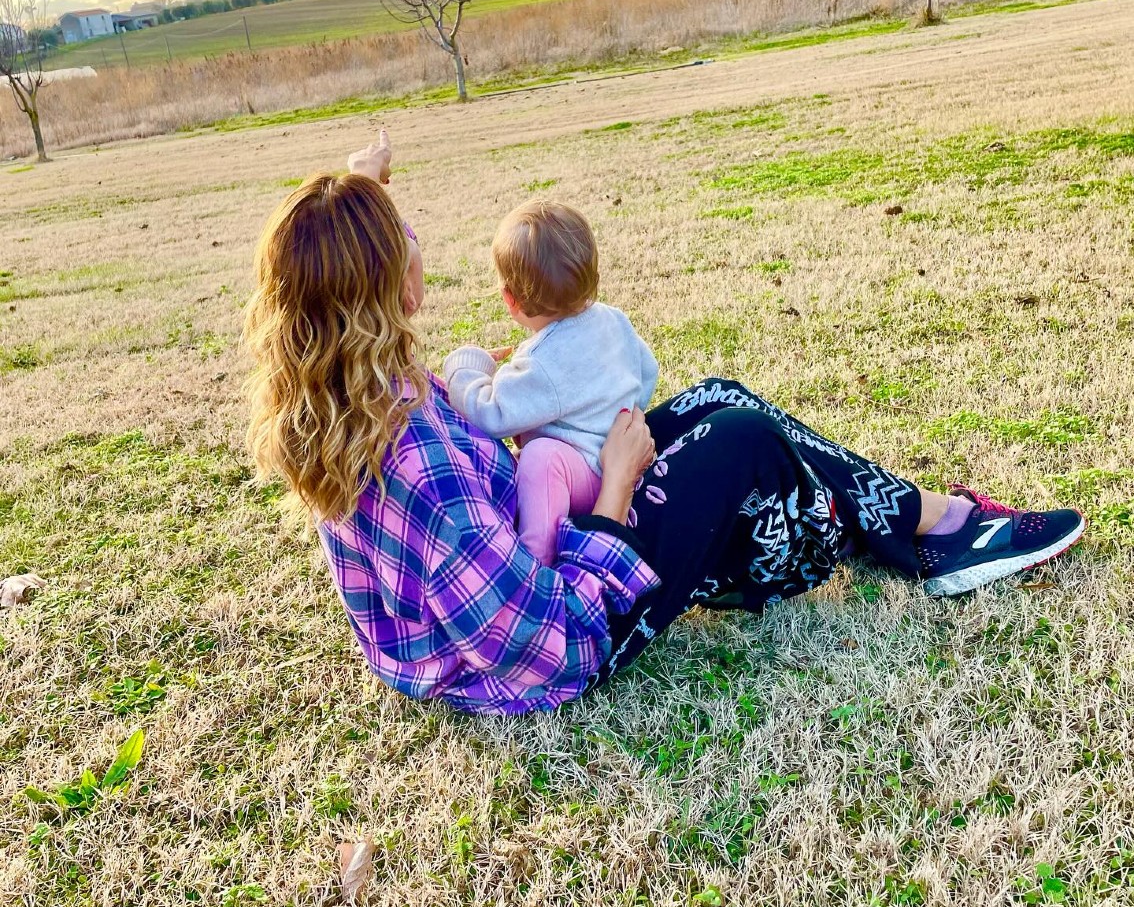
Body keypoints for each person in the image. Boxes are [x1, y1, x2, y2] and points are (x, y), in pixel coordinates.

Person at [244, 136, 1087, 716]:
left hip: (537, 538)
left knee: (720, 397)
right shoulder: (419, 467)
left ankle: (922, 522)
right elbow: (549, 648)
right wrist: (614, 491)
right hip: (557, 622)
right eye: (405, 245)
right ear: (392, 288)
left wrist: (365, 180)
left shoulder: (348, 383)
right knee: (740, 444)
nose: (421, 253)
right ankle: (923, 531)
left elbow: (344, 259)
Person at [441, 200, 658, 564]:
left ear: (511, 299)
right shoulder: (613, 319)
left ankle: (536, 557)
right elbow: (647, 372)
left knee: (541, 457)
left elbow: (488, 414)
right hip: (620, 454)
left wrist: (465, 368)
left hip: (588, 480)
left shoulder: (542, 362)